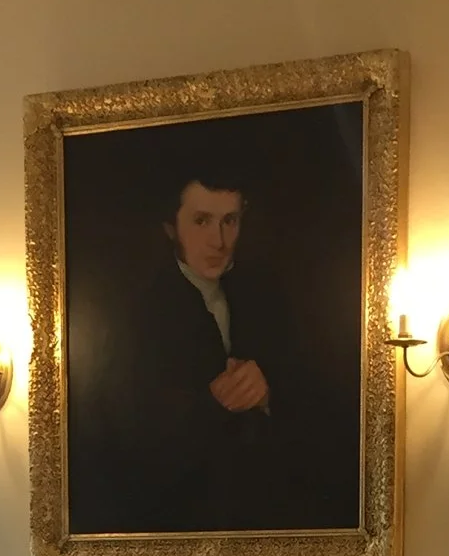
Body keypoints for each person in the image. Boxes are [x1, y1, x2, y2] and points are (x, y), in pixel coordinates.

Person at [81, 160, 343, 534]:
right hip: (176, 523)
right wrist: (215, 403)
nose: (218, 241)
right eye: (201, 221)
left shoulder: (267, 297)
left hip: (273, 522)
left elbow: (319, 403)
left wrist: (267, 393)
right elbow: (129, 436)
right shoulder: (138, 313)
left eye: (229, 221)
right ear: (172, 227)